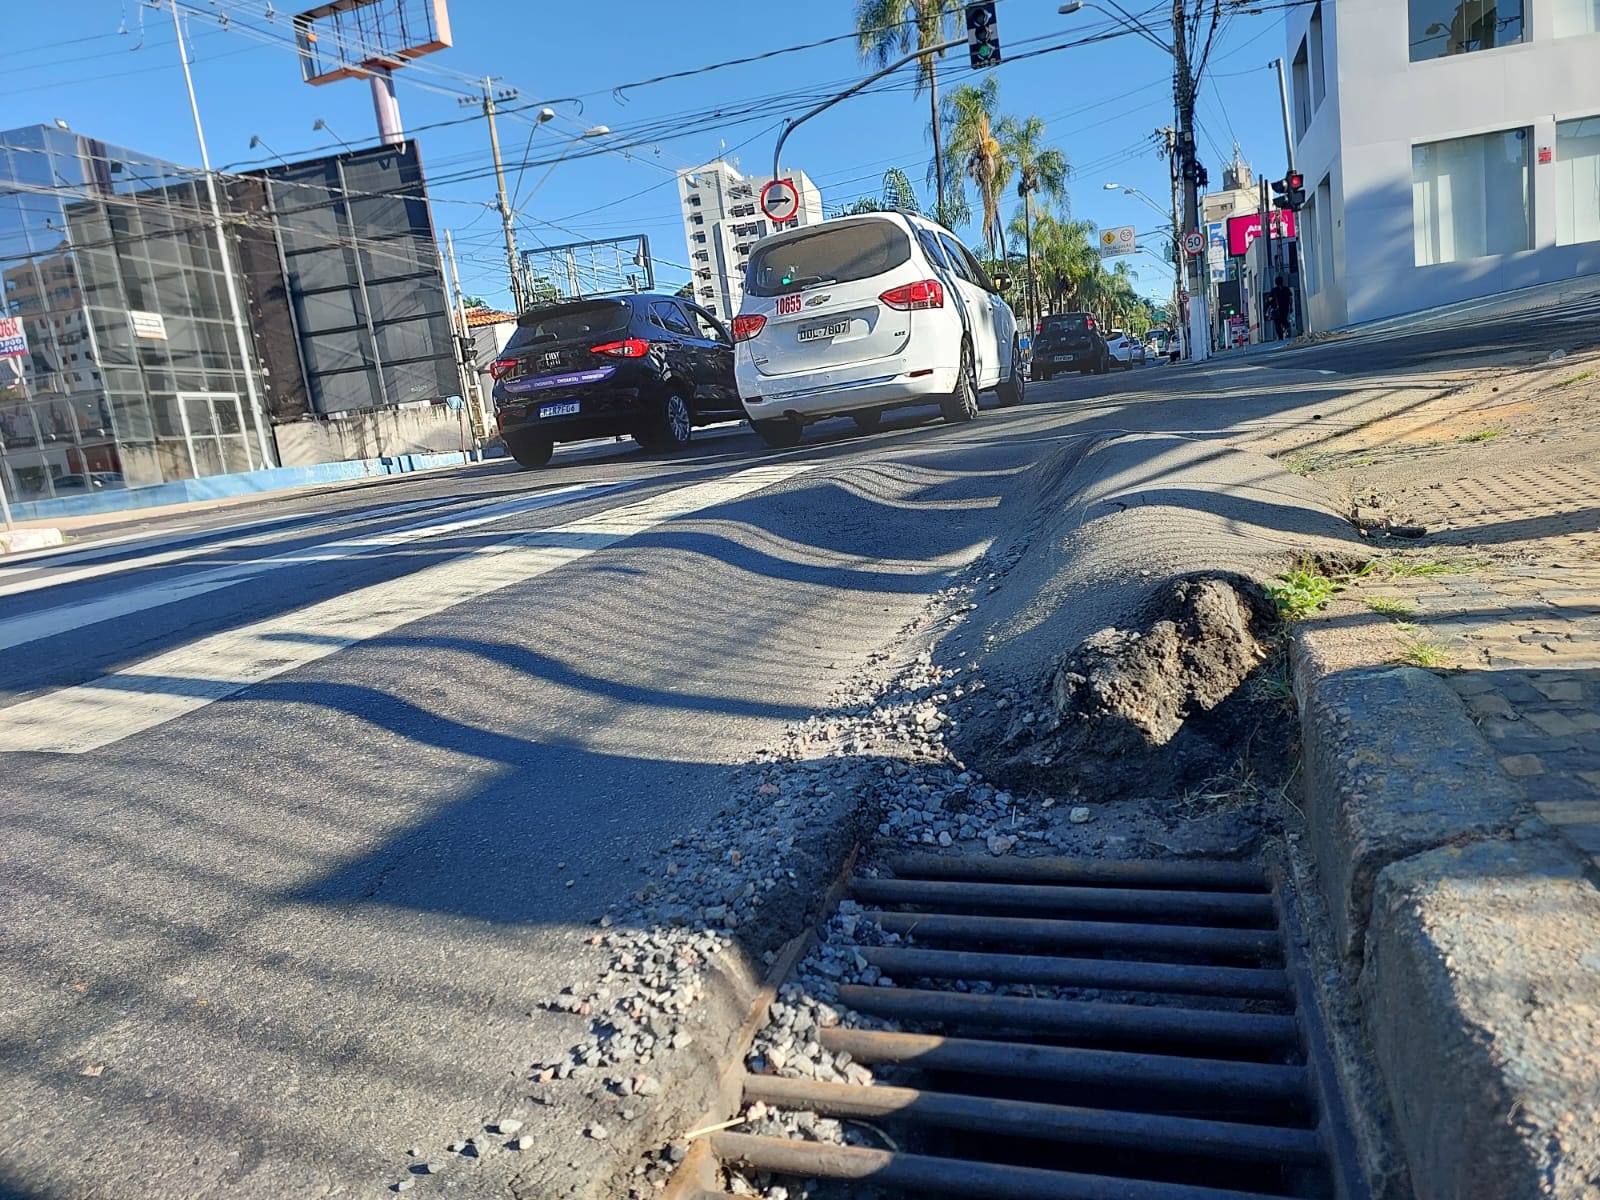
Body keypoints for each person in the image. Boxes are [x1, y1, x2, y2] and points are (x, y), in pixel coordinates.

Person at [1270, 276, 1293, 341]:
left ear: (1275, 282)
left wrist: (1270, 300)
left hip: (1276, 309)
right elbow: (1290, 298)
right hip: (1285, 308)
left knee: (1277, 323)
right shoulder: (1286, 289)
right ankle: (1287, 329)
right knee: (1284, 319)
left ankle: (1280, 337)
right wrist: (1291, 307)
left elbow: (1270, 299)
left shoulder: (1274, 290)